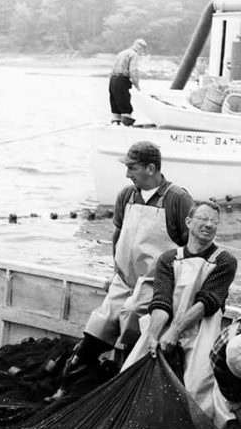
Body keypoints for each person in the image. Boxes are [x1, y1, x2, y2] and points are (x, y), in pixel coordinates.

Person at [55, 141, 193, 395]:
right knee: (99, 323)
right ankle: (67, 384)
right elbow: (118, 236)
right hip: (124, 279)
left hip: (156, 283)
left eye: (132, 168)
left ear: (151, 168)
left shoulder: (177, 199)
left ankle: (126, 379)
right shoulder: (126, 196)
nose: (128, 174)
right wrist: (114, 271)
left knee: (131, 315)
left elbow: (192, 247)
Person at [124, 199, 238, 425]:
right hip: (165, 323)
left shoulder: (225, 261)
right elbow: (161, 302)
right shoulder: (168, 259)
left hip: (202, 326)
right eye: (203, 219)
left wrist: (175, 331)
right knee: (131, 371)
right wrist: (154, 335)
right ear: (188, 222)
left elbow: (208, 301)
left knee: (199, 388)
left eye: (214, 222)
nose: (208, 225)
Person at [110, 38, 147, 125]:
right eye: (142, 51)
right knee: (125, 106)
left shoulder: (121, 53)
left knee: (115, 105)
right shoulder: (134, 55)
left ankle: (115, 124)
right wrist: (137, 85)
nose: (141, 53)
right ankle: (126, 127)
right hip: (122, 80)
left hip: (113, 80)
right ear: (141, 48)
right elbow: (133, 71)